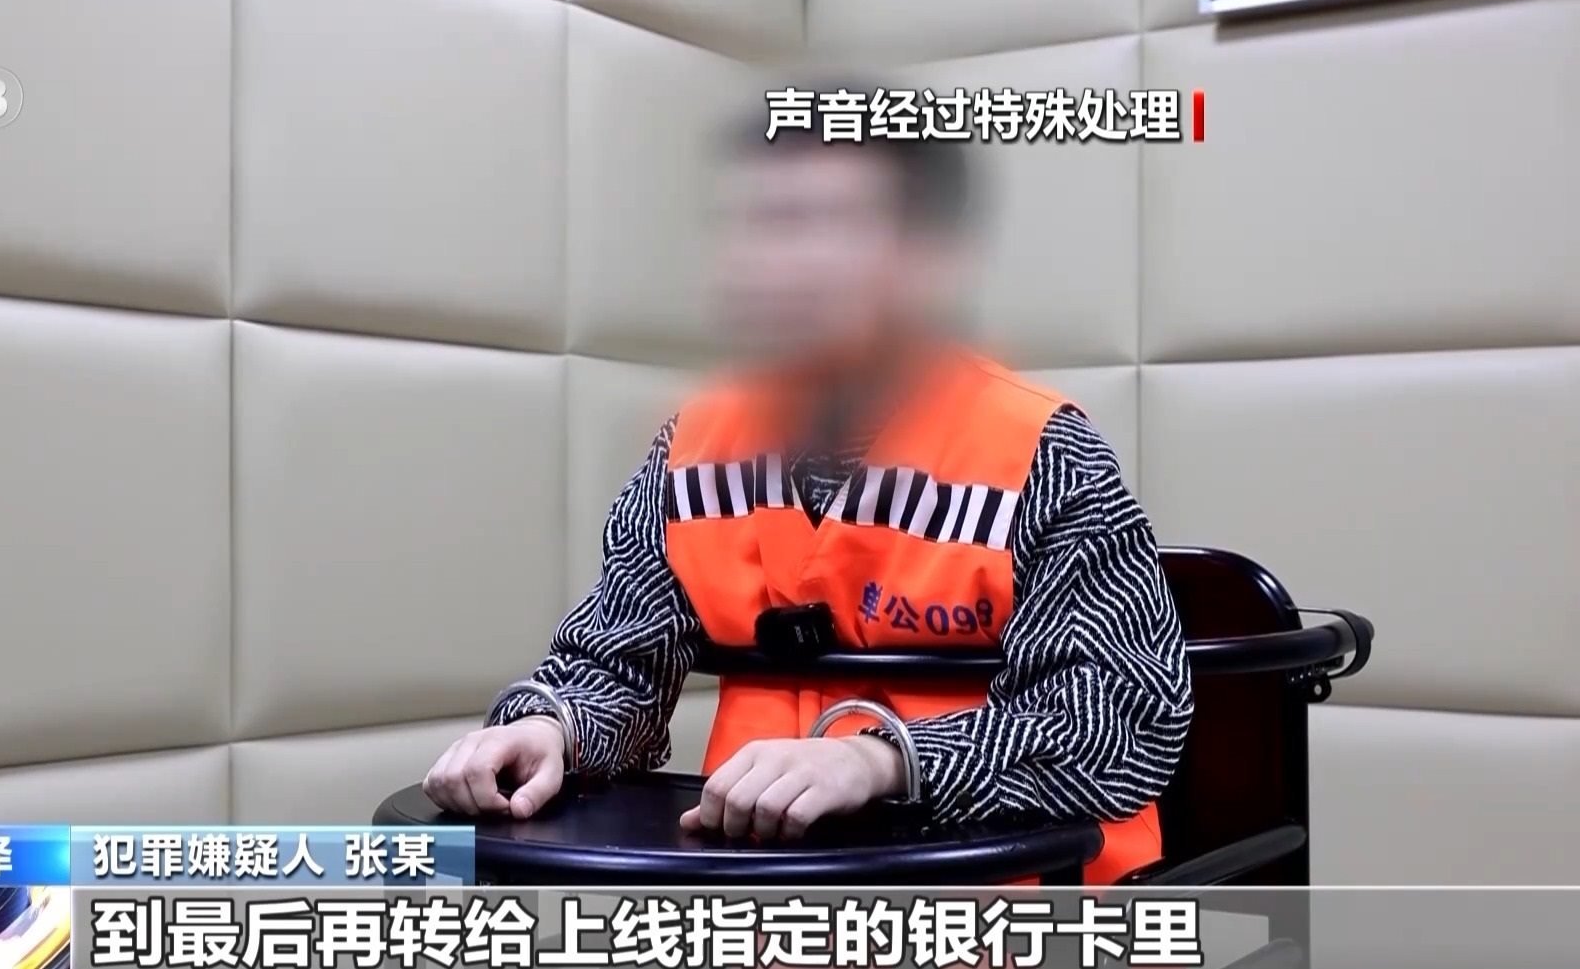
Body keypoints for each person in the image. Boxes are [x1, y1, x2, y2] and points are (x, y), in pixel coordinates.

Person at [423, 82, 1194, 882]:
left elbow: (1123, 715)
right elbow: (617, 664)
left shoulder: (1043, 453)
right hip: (774, 904)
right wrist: (553, 726)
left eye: (814, 224)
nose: (769, 264)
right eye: (752, 225)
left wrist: (881, 761)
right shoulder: (693, 447)